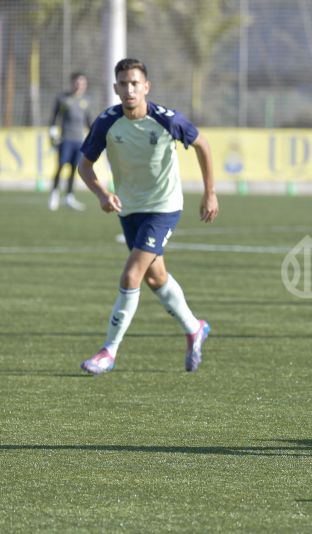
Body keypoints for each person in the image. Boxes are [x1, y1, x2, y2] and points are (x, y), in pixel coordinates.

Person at [77, 58, 219, 375]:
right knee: (155, 278)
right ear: (115, 88)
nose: (129, 89)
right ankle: (195, 328)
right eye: (123, 84)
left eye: (135, 83)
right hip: (129, 209)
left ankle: (108, 351)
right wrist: (102, 194)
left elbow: (202, 145)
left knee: (132, 276)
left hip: (164, 207)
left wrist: (209, 192)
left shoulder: (167, 120)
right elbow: (84, 166)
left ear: (146, 87)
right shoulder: (106, 123)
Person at [48, 72, 93, 211]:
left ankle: (69, 197)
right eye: (77, 82)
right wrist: (53, 133)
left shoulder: (86, 101)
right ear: (72, 83)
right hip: (65, 139)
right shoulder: (63, 99)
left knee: (74, 168)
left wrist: (93, 136)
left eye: (82, 83)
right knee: (61, 166)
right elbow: (55, 117)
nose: (79, 85)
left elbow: (89, 121)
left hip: (79, 141)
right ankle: (54, 194)